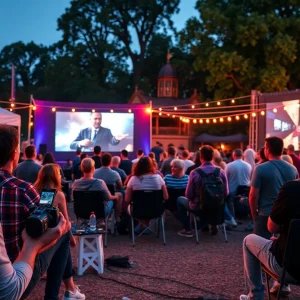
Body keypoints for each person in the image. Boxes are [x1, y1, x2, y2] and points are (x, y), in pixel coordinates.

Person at [0, 125, 71, 300]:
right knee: (64, 232)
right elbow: (42, 233)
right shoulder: (23, 189)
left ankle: (71, 289)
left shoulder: (31, 188)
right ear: (15, 155)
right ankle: (59, 294)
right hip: (14, 279)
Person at [240, 179, 300, 300]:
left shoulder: (292, 188)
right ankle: (281, 286)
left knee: (248, 240)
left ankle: (255, 296)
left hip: (291, 269)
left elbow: (272, 227)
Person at [34, 164, 85, 300]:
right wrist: (73, 239)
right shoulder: (58, 195)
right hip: (48, 240)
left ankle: (71, 289)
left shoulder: (33, 191)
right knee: (64, 237)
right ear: (57, 177)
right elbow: (66, 223)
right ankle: (61, 293)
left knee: (63, 243)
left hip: (33, 236)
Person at [0, 214, 68, 300]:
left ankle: (70, 289)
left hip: (6, 272)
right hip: (15, 286)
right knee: (64, 233)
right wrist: (32, 245)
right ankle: (66, 291)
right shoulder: (27, 200)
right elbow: (8, 293)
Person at [249, 136, 298, 239]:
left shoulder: (260, 169)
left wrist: (254, 215)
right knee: (282, 248)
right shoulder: (293, 169)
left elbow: (253, 195)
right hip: (286, 214)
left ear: (267, 149)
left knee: (261, 247)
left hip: (266, 213)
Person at [177, 145, 229, 237]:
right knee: (214, 202)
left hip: (199, 208)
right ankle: (213, 223)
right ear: (212, 157)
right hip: (217, 208)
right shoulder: (221, 171)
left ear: (201, 157)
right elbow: (226, 193)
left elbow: (188, 195)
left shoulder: (194, 172)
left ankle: (187, 229)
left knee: (180, 200)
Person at [125, 156, 168, 234]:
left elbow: (127, 199)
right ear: (151, 166)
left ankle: (140, 225)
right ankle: (145, 226)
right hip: (156, 210)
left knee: (136, 205)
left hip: (137, 211)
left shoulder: (133, 179)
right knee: (148, 204)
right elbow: (166, 197)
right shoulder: (159, 178)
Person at [94, 153, 123, 224]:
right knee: (120, 195)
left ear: (101, 161)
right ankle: (117, 217)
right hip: (109, 198)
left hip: (96, 198)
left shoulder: (94, 172)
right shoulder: (115, 174)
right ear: (110, 162)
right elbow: (120, 186)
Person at [225, 149, 252, 217]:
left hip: (232, 191)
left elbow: (225, 179)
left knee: (227, 201)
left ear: (233, 156)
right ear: (242, 156)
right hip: (245, 190)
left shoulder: (229, 166)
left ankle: (231, 217)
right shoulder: (248, 165)